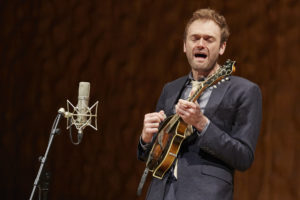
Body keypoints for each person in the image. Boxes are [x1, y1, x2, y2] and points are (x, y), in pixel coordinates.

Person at [137, 8, 262, 200]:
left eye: (209, 39)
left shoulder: (245, 91)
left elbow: (244, 157)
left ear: (222, 47)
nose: (200, 44)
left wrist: (202, 124)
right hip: (159, 193)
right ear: (185, 46)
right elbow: (156, 154)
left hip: (205, 194)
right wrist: (146, 139)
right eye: (194, 38)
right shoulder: (170, 89)